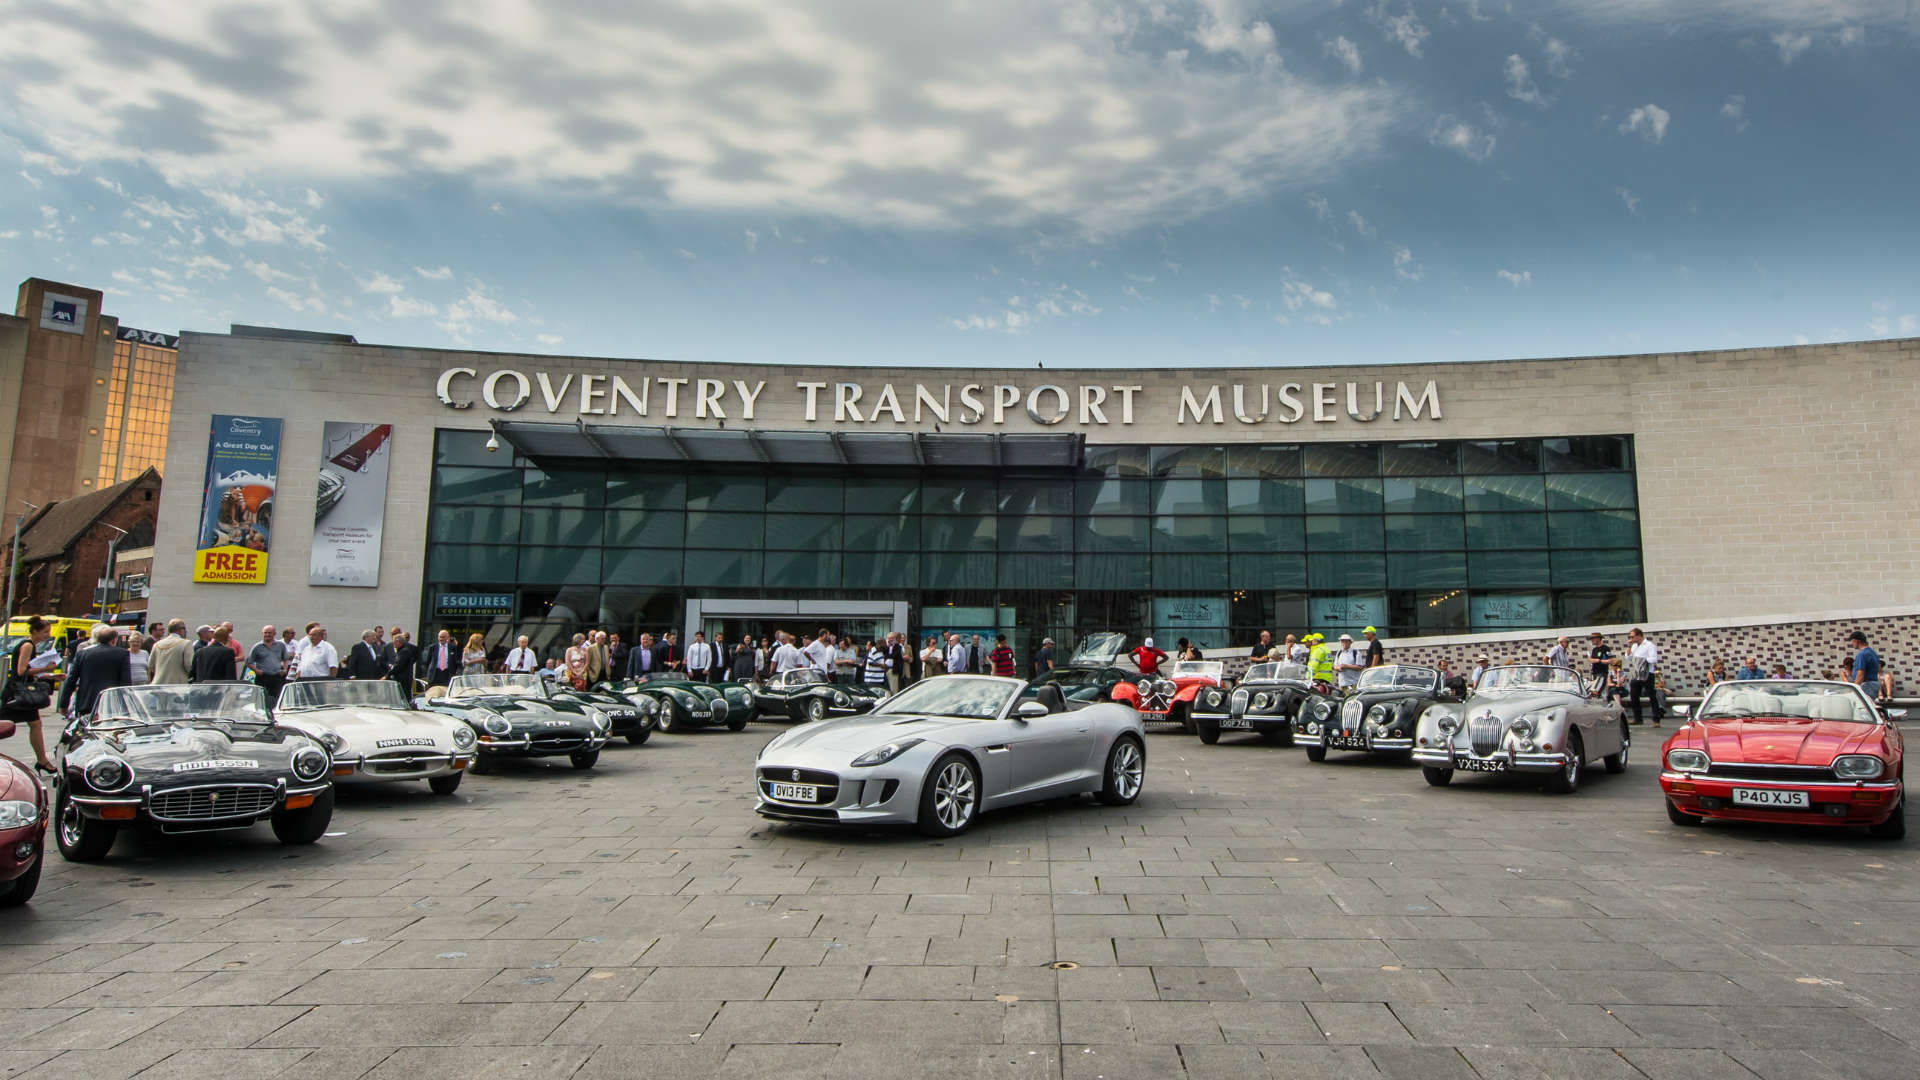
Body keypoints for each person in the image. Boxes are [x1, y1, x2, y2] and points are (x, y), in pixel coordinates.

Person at [3, 616, 59, 772]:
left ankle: (42, 760)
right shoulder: (28, 645)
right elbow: (21, 671)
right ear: (35, 631)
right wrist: (46, 669)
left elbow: (28, 673)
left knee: (35, 723)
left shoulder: (30, 645)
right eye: (45, 632)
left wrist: (52, 676)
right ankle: (42, 760)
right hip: (17, 692)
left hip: (21, 692)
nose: (47, 635)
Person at [60, 623, 131, 720]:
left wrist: (63, 704)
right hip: (111, 703)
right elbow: (125, 682)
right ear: (114, 640)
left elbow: (71, 680)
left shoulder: (82, 653)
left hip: (86, 702)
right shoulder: (122, 654)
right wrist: (126, 704)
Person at [1625, 627, 1662, 726]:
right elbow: (1628, 658)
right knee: (1634, 696)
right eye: (1630, 637)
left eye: (1632, 636)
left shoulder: (1649, 645)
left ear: (1639, 636)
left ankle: (1656, 719)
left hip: (1647, 673)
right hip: (1636, 673)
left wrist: (1643, 659)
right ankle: (1638, 718)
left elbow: (1653, 659)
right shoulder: (1634, 646)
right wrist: (1629, 646)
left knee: (1652, 696)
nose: (1631, 639)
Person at [248, 625, 289, 704]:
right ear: (262, 633)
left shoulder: (280, 645)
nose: (267, 635)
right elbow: (249, 662)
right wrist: (256, 670)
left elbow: (285, 659)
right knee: (261, 699)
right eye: (265, 633)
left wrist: (285, 669)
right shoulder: (257, 647)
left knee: (278, 698)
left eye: (269, 633)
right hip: (263, 677)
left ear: (274, 633)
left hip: (277, 677)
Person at [149, 619, 194, 684]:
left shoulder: (157, 644)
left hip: (158, 684)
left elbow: (151, 665)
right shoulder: (186, 643)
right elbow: (189, 666)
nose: (186, 631)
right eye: (184, 629)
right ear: (180, 630)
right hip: (177, 685)